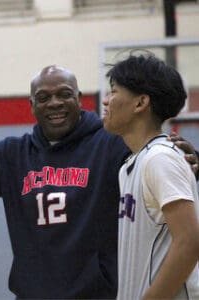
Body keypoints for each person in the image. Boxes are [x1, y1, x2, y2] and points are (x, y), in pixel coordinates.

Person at [0, 64, 199, 299]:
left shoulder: (116, 143)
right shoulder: (11, 155)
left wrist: (190, 159)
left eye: (64, 94)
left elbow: (163, 162)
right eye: (44, 97)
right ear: (32, 106)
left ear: (79, 99)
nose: (55, 102)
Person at [103, 52, 199, 299]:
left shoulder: (160, 158)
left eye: (113, 91)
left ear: (140, 103)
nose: (105, 101)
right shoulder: (130, 166)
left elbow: (189, 243)